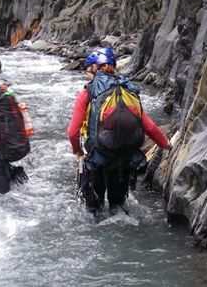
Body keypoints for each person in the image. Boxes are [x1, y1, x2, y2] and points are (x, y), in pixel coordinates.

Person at [67, 48, 171, 214]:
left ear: (95, 68)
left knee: (95, 212)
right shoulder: (127, 90)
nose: (86, 73)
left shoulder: (89, 91)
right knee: (118, 208)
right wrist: (166, 144)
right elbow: (149, 126)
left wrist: (78, 152)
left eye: (87, 69)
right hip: (124, 159)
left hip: (97, 159)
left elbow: (73, 132)